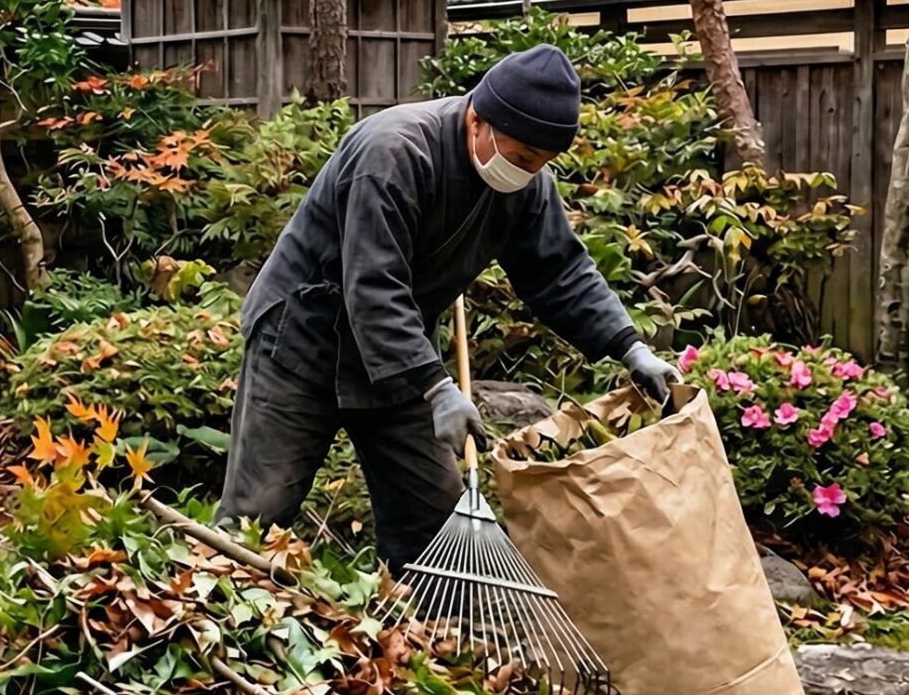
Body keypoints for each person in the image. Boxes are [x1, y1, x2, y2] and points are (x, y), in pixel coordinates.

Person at [218, 43, 680, 566]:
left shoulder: (525, 179)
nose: (529, 173)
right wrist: (437, 387)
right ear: (477, 120)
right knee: (258, 512)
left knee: (436, 521)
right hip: (302, 340)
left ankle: (431, 638)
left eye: (543, 163)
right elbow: (372, 286)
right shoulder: (391, 154)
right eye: (524, 159)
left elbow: (560, 270)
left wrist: (629, 346)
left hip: (399, 358)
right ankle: (208, 622)